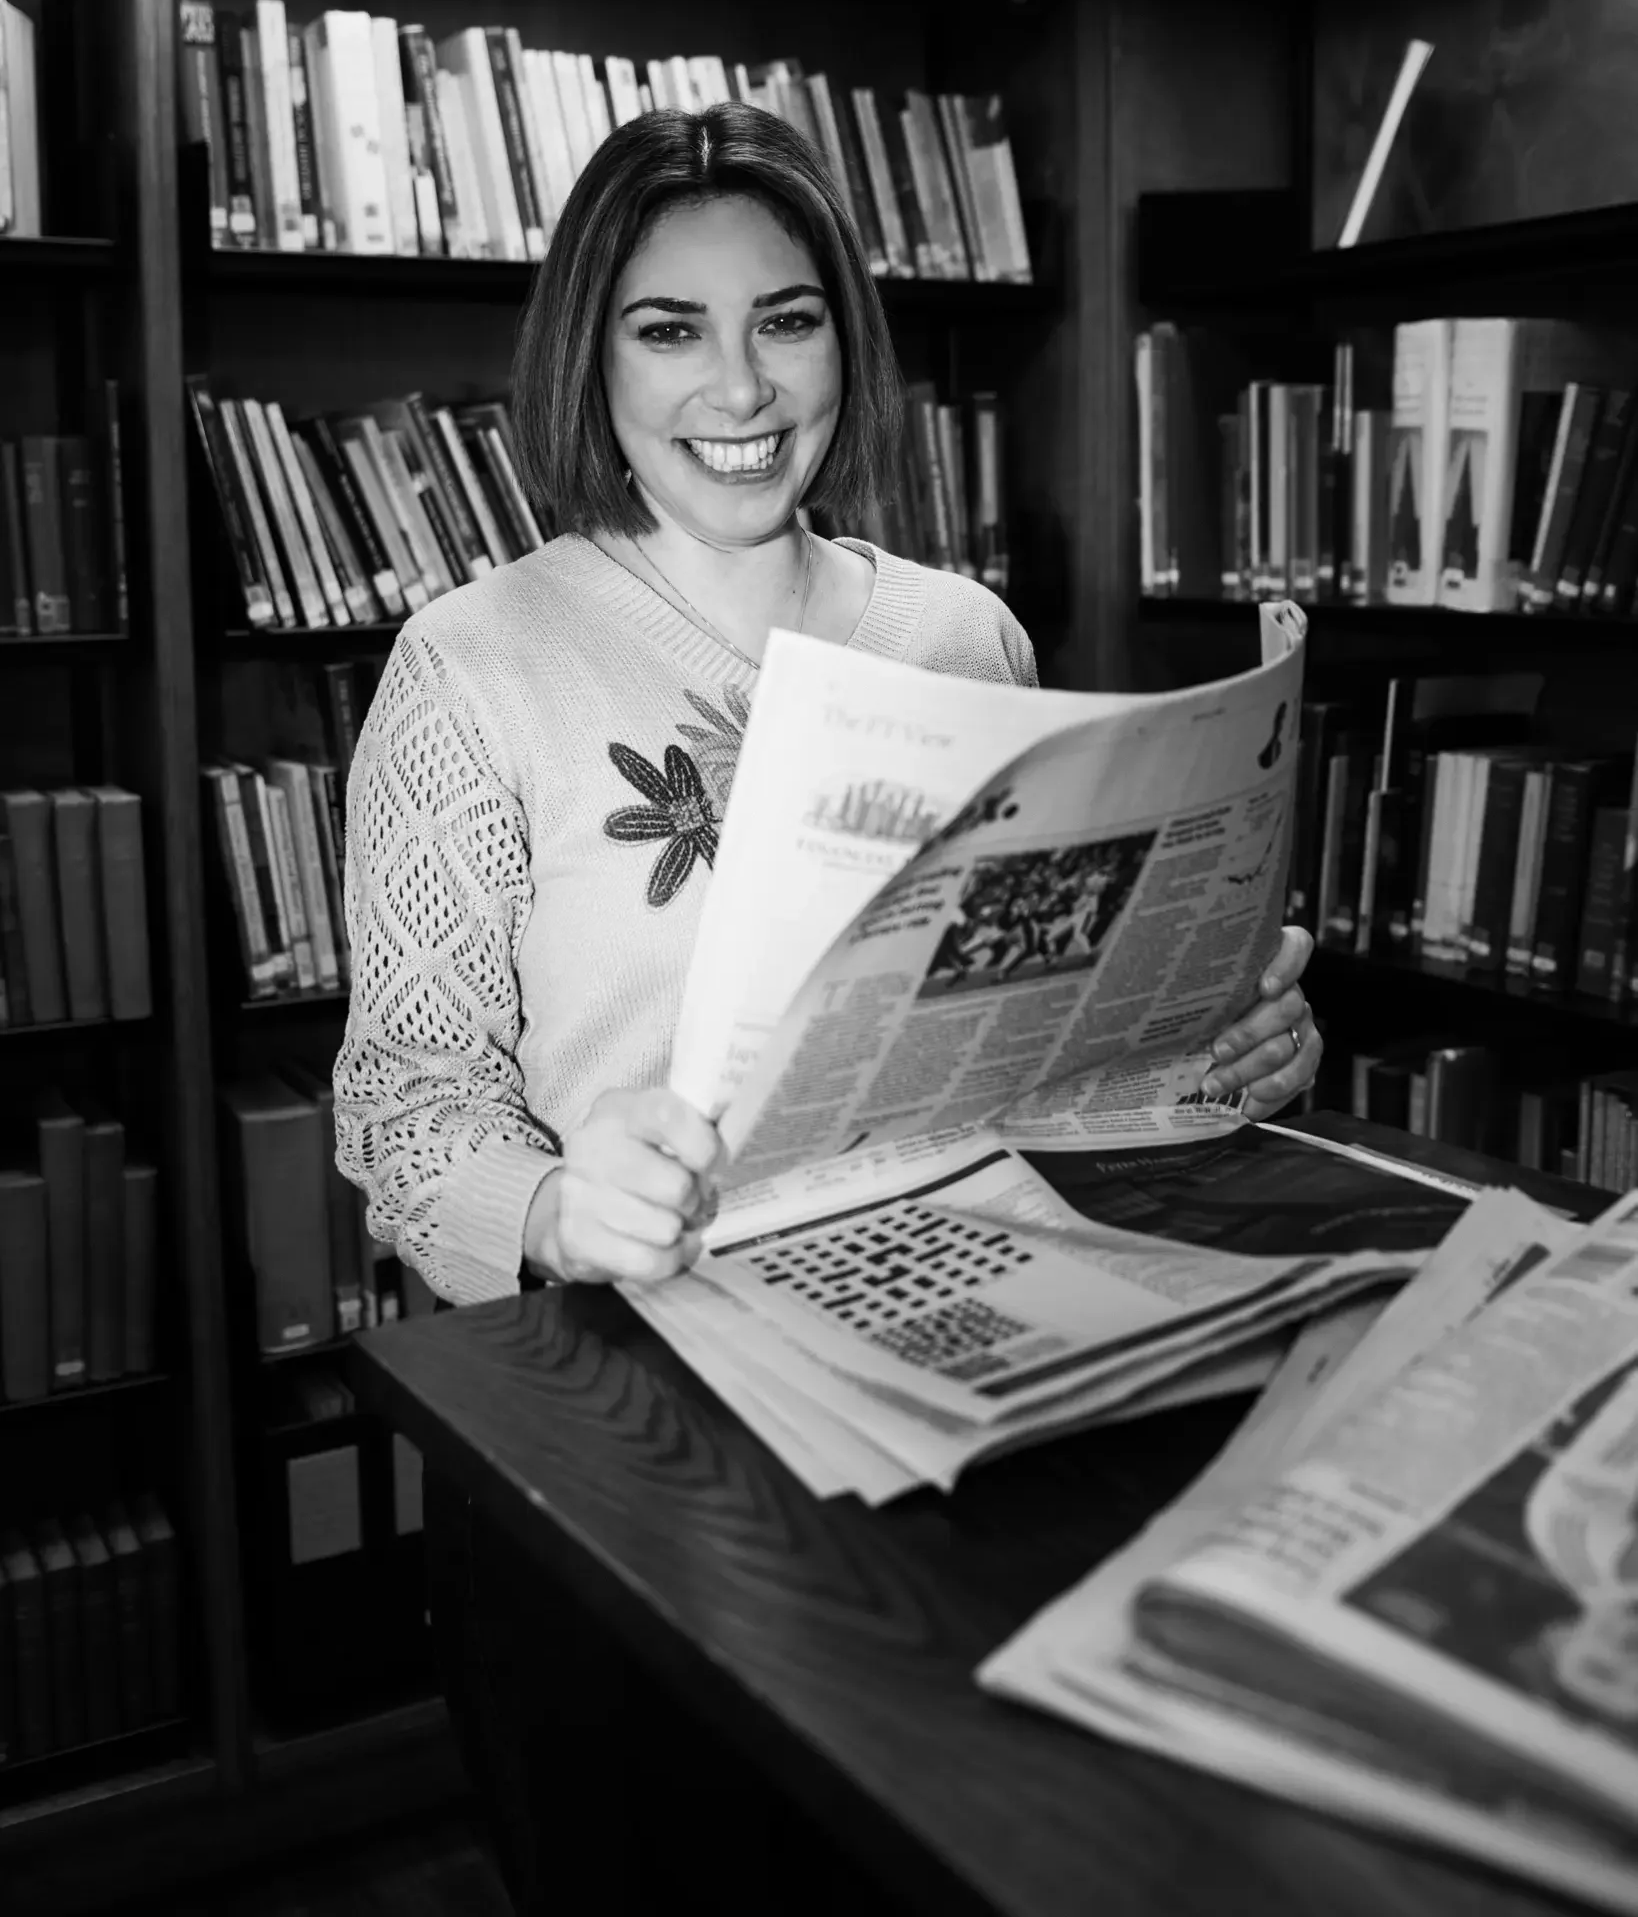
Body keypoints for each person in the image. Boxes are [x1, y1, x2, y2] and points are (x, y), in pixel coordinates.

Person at [332, 102, 1322, 1914]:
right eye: (669, 326)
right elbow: (406, 1119)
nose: (740, 384)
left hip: (964, 1389)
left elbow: (1032, 1042)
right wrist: (554, 1205)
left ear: (843, 345)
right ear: (591, 352)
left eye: (785, 319)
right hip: (629, 1419)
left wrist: (1210, 1044)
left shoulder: (962, 640)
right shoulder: (473, 665)